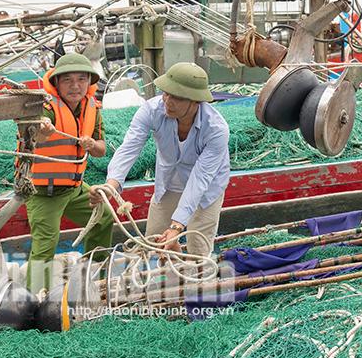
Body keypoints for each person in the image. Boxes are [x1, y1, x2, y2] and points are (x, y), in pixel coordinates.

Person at [95, 62, 230, 256]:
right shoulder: (151, 110)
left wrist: (177, 226)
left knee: (198, 248)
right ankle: (168, 269)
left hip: (207, 189)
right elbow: (130, 146)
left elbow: (200, 179)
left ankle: (199, 271)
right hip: (168, 183)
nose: (168, 101)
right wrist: (112, 184)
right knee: (154, 242)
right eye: (166, 93)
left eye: (177, 97)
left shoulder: (216, 129)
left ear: (196, 101)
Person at [23, 52, 112, 291]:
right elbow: (37, 133)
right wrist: (44, 128)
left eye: (82, 79)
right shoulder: (46, 108)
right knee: (45, 246)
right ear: (56, 83)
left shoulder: (92, 108)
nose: (75, 86)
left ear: (89, 82)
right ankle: (34, 299)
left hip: (74, 188)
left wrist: (91, 145)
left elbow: (101, 150)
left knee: (104, 217)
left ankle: (95, 276)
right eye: (67, 80)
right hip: (43, 192)